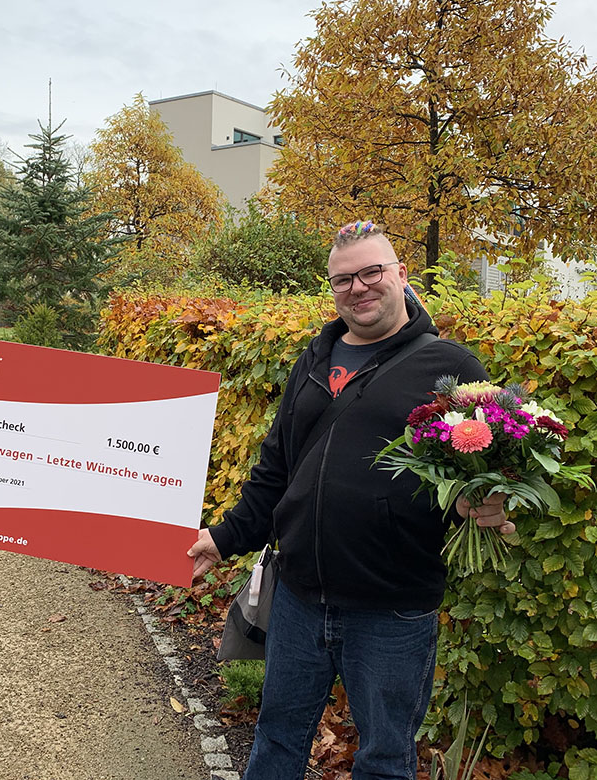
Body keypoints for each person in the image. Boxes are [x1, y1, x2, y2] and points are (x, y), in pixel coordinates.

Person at [187, 221, 511, 780]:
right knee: (277, 739)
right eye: (343, 279)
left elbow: (489, 472)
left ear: (401, 275)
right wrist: (223, 538)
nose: (359, 287)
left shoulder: (451, 369)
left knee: (385, 759)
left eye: (371, 272)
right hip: (298, 596)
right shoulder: (315, 358)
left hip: (392, 608)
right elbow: (278, 468)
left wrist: (488, 504)